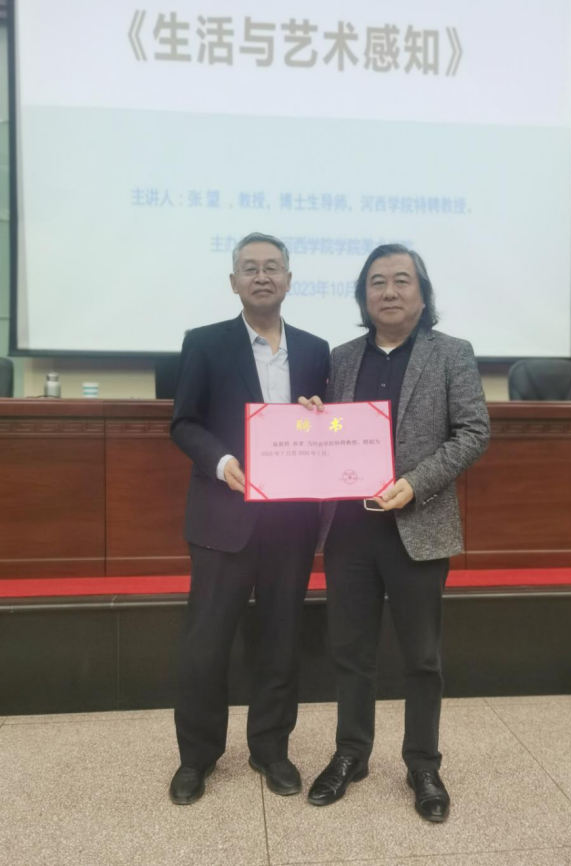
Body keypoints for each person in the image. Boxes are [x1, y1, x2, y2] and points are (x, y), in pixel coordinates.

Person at [299, 244, 490, 822]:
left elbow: (473, 431)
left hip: (417, 524)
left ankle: (423, 763)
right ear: (363, 296)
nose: (389, 291)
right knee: (350, 650)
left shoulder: (451, 353)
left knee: (422, 657)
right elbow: (330, 431)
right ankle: (351, 754)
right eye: (377, 281)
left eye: (402, 280)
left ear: (422, 294)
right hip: (350, 529)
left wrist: (414, 483)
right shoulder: (342, 358)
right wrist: (313, 417)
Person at [169, 232, 329, 805]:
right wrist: (221, 462)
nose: (262, 276)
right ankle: (197, 758)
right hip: (223, 516)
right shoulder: (205, 343)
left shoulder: (315, 349)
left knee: (281, 641)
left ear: (289, 279)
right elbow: (184, 423)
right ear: (233, 281)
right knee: (206, 646)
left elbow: (327, 427)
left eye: (272, 267)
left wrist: (321, 415)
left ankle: (271, 749)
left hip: (291, 521)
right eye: (250, 267)